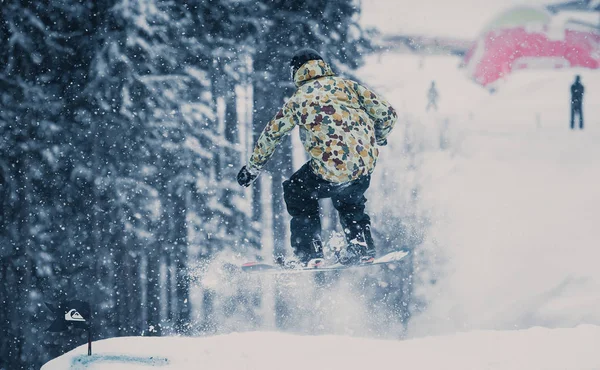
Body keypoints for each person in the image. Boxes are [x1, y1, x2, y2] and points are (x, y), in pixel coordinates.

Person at [237, 48, 397, 267]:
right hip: (363, 166)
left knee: (296, 190)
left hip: (330, 169)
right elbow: (388, 114)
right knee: (350, 198)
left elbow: (272, 134)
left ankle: (309, 251)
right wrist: (378, 138)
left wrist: (253, 168)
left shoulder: (299, 99)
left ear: (295, 71)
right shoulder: (348, 86)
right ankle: (361, 245)